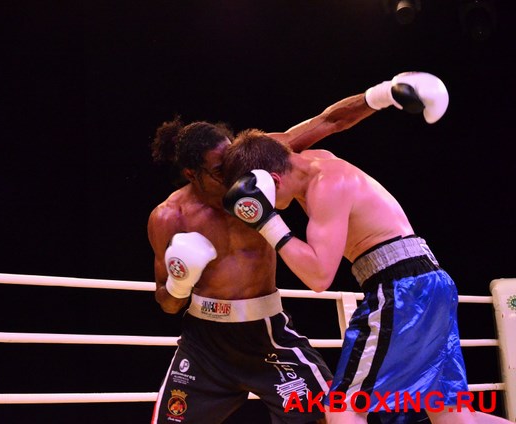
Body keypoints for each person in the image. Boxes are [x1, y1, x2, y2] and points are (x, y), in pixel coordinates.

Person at [148, 72, 444, 424]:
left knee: (326, 416)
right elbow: (166, 302)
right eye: (218, 170)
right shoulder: (170, 217)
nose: (233, 173)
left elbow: (329, 121)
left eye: (231, 159)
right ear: (190, 173)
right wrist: (181, 281)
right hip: (204, 344)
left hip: (266, 335)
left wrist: (382, 95)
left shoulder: (255, 160)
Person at [221, 74, 510, 424]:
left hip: (402, 290)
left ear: (272, 180)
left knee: (342, 407)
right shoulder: (307, 160)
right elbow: (329, 119)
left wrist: (268, 221)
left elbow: (319, 276)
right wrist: (383, 94)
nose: (273, 204)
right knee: (447, 408)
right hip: (429, 280)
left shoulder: (325, 185)